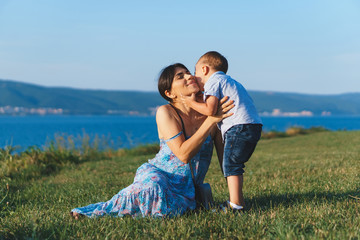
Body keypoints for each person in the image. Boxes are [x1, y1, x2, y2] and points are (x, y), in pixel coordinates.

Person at [70, 63, 234, 219]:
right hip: (159, 175)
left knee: (171, 207)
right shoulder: (166, 112)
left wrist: (235, 200)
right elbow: (183, 154)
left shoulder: (211, 113)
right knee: (152, 190)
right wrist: (211, 120)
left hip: (188, 188)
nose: (189, 76)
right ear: (169, 93)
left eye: (188, 72)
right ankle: (97, 212)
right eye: (180, 76)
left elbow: (225, 160)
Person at [182, 51, 262, 212]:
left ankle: (236, 205)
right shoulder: (229, 81)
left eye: (195, 72)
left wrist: (190, 102)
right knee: (234, 164)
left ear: (204, 69)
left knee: (232, 165)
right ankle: (236, 202)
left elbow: (210, 110)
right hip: (252, 125)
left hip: (238, 127)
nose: (194, 76)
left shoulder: (213, 81)